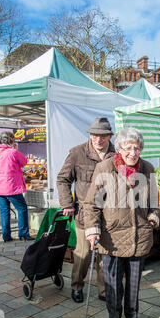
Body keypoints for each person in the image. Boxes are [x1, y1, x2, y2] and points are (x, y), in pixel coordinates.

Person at [84, 127, 160, 318]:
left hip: (139, 236)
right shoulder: (105, 168)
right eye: (128, 148)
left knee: (134, 283)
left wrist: (154, 217)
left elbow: (154, 202)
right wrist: (92, 229)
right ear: (119, 149)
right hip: (112, 238)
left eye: (136, 148)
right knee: (113, 284)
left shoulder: (147, 169)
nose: (132, 153)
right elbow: (92, 204)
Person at [56, 117, 115, 304]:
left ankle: (104, 290)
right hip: (85, 213)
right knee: (83, 253)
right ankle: (77, 286)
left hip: (109, 214)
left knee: (105, 254)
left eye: (103, 136)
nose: (98, 139)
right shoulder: (77, 153)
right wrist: (67, 203)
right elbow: (62, 179)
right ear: (90, 135)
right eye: (94, 135)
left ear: (109, 136)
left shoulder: (117, 154)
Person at [0, 131, 33, 242]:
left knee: (4, 211)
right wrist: (16, 149)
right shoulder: (12, 152)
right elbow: (24, 161)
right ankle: (23, 234)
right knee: (22, 208)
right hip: (11, 187)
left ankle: (6, 236)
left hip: (0, 188)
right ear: (11, 141)